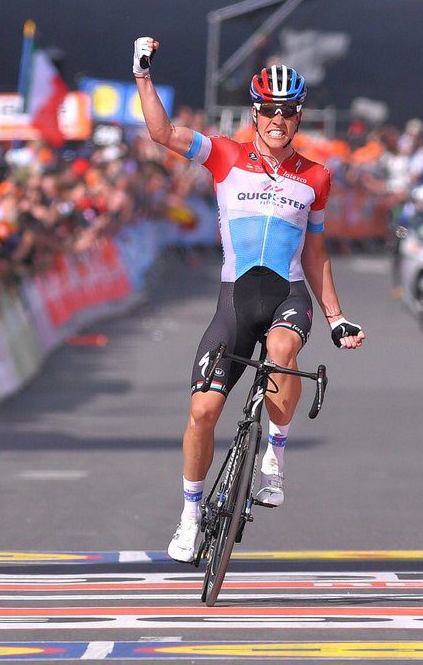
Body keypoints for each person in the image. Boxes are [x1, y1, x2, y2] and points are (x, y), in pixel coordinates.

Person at [132, 36, 365, 563]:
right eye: (268, 112)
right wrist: (143, 76)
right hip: (235, 299)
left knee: (284, 353)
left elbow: (316, 253)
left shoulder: (316, 178)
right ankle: (190, 515)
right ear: (255, 115)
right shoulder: (224, 155)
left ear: (299, 117)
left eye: (287, 113)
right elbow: (162, 133)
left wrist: (337, 317)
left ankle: (274, 464)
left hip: (288, 294)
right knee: (203, 412)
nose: (277, 121)